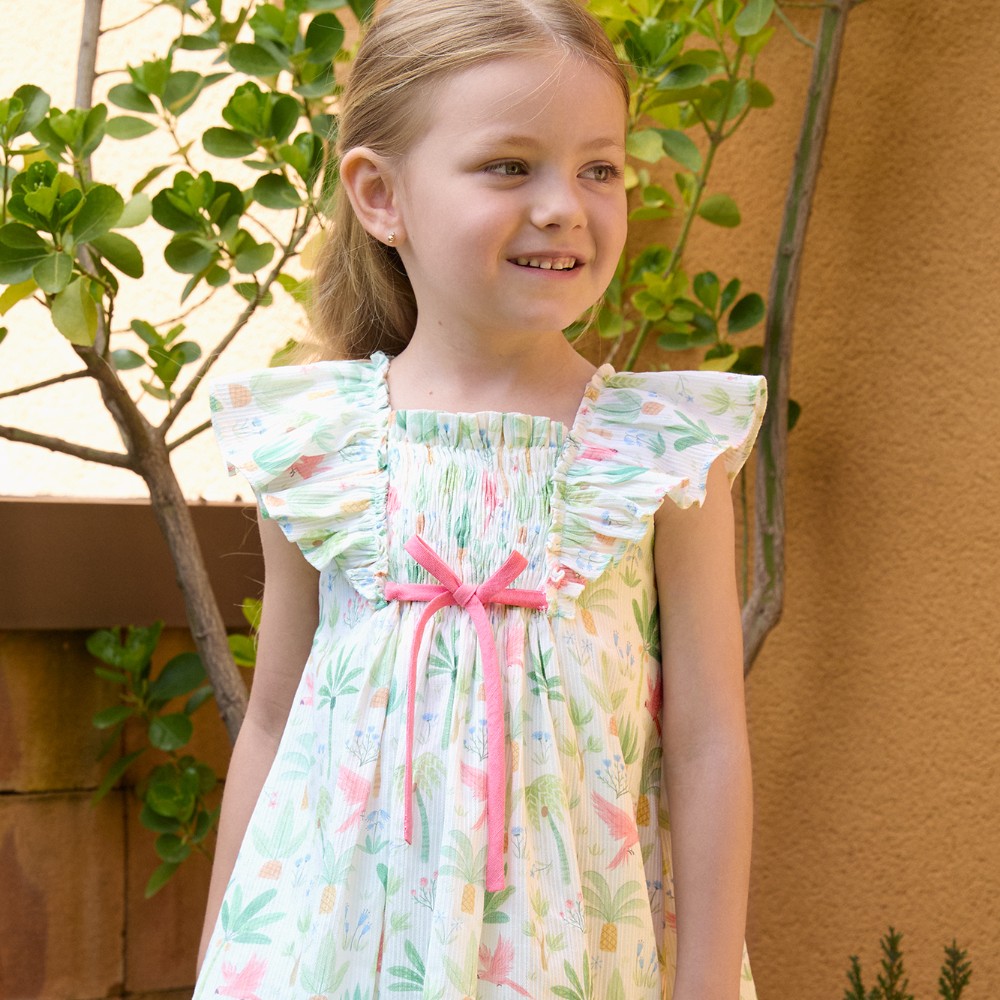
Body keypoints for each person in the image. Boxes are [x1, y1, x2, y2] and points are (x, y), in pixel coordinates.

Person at [194, 1, 767, 997]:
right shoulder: (318, 446)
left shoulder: (656, 455)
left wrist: (707, 984)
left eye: (599, 167)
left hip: (568, 956)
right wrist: (218, 965)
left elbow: (708, 739)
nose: (563, 205)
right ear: (380, 195)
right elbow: (276, 718)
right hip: (334, 957)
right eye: (510, 166)